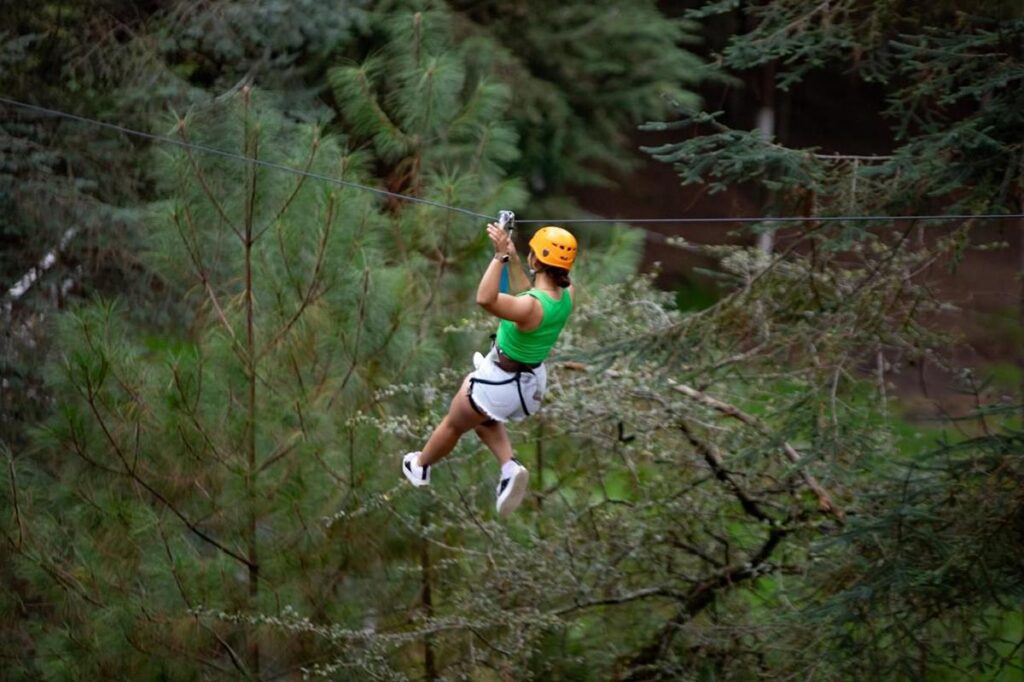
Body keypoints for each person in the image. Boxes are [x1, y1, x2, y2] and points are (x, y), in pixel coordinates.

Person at [401, 222, 577, 516]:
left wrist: (499, 258)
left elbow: (486, 299)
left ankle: (419, 466)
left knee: (454, 424)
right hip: (528, 384)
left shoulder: (531, 308)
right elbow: (530, 293)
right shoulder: (565, 297)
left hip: (502, 382)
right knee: (483, 419)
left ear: (538, 260)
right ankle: (509, 467)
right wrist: (515, 260)